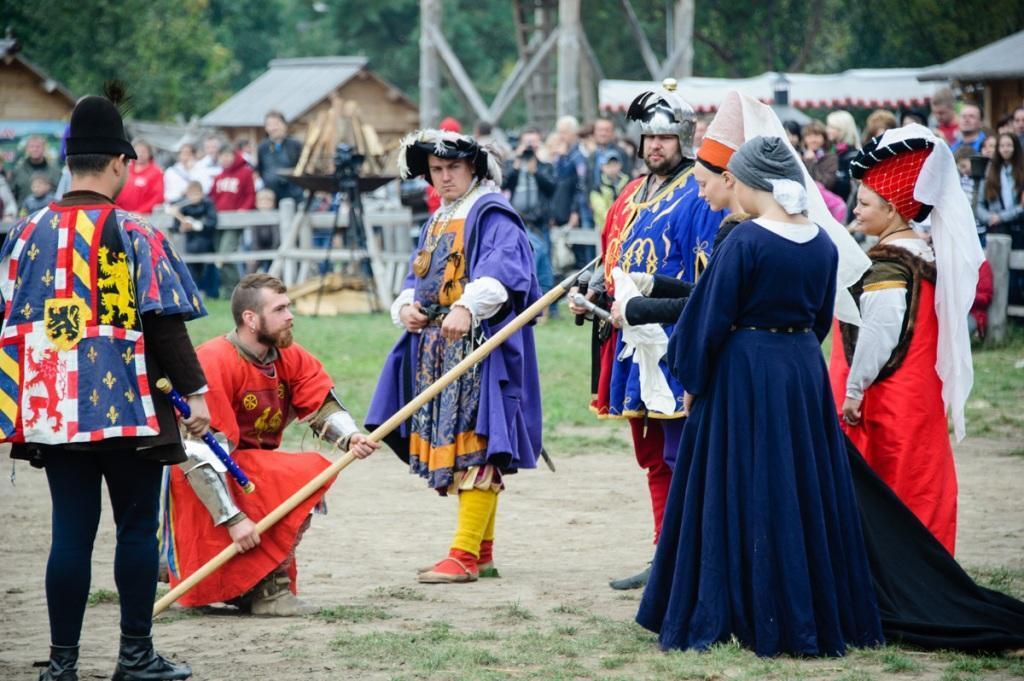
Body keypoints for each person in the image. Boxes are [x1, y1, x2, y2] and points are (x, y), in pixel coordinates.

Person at [637, 135, 884, 657]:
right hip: (800, 375)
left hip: (745, 375)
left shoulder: (746, 242)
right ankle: (800, 605)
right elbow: (821, 318)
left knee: (741, 484)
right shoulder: (820, 240)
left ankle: (737, 605)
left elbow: (709, 319)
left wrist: (693, 380)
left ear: (748, 183)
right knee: (796, 486)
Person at [0, 87, 206, 681]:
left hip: (52, 409)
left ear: (67, 163)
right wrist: (194, 396)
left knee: (70, 532)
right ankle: (135, 658)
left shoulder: (23, 235)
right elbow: (164, 324)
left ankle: (61, 667)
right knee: (136, 529)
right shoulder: (136, 233)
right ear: (119, 163)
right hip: (131, 411)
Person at [366, 128, 542, 584]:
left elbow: (504, 274)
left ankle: (463, 555)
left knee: (476, 444)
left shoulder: (492, 213)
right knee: (467, 444)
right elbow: (416, 274)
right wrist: (405, 307)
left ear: (473, 169)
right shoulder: (440, 217)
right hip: (437, 347)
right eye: (436, 170)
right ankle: (480, 551)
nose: (443, 178)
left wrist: (466, 306)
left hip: (479, 349)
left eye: (453, 169)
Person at [569, 79, 725, 591]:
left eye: (665, 137)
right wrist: (591, 291)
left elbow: (707, 278)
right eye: (648, 137)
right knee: (653, 455)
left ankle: (693, 559)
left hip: (673, 340)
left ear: (684, 138)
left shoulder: (699, 192)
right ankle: (665, 555)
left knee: (683, 454)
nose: (654, 146)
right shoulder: (631, 193)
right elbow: (610, 260)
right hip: (629, 344)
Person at [162, 273, 378, 616]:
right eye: (279, 309)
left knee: (291, 474)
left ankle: (256, 586)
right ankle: (267, 591)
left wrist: (350, 436)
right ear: (250, 319)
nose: (290, 315)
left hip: (251, 471)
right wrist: (232, 519)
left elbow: (320, 401)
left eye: (288, 307)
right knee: (304, 472)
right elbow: (200, 452)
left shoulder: (286, 355)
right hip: (206, 474)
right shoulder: (214, 361)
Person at [830, 124, 986, 555]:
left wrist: (854, 391)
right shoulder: (925, 254)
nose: (855, 211)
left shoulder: (888, 266)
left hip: (890, 404)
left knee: (894, 492)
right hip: (921, 397)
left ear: (894, 208)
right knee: (922, 485)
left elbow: (877, 339)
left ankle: (903, 594)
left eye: (863, 203)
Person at [503, 126, 557, 303]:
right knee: (518, 261)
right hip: (517, 222)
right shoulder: (513, 165)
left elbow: (551, 189)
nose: (529, 147)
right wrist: (517, 165)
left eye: (533, 143)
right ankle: (522, 301)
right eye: (526, 143)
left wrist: (536, 172)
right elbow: (503, 184)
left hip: (539, 222)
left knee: (545, 262)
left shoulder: (545, 166)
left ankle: (549, 306)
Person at [976, 132, 1024, 314]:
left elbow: (1022, 206)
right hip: (995, 228)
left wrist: (1002, 216)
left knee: (1018, 272)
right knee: (996, 271)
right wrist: (988, 217)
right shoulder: (990, 172)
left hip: (1018, 226)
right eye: (1002, 146)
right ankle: (998, 313)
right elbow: (979, 204)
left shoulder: (1021, 171)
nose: (1005, 149)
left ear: (1015, 148)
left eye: (1009, 145)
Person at [210, 143, 256, 295]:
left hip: (234, 221)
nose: (225, 159)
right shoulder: (219, 176)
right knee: (219, 256)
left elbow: (250, 194)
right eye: (222, 156)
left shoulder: (245, 172)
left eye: (228, 156)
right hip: (219, 221)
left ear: (234, 156)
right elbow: (213, 197)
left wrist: (244, 209)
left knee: (225, 253)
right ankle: (231, 289)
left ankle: (236, 288)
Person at [168, 180, 220, 299]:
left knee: (209, 269)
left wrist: (195, 225)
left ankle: (212, 294)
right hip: (189, 244)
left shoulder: (208, 204)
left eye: (196, 194)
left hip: (207, 242)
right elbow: (176, 226)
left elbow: (211, 222)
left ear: (202, 193)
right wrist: (181, 227)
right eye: (191, 194)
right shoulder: (182, 207)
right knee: (190, 270)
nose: (194, 197)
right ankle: (193, 294)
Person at [256, 111, 304, 205]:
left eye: (276, 124)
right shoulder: (263, 146)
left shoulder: (295, 144)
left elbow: (302, 167)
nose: (273, 128)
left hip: (292, 193)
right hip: (271, 196)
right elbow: (260, 169)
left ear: (284, 125)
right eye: (269, 125)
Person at [116, 138, 165, 215]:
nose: (140, 154)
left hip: (142, 216)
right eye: (137, 151)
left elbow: (157, 198)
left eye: (143, 151)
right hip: (120, 213)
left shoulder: (156, 172)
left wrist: (140, 212)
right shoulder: (125, 167)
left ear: (150, 153)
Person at [588, 148, 629, 236]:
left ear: (620, 165)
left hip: (626, 227)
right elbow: (601, 209)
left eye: (614, 164)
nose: (612, 168)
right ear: (602, 167)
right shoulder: (598, 187)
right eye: (608, 165)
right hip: (605, 229)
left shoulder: (628, 183)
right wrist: (615, 221)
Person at [11, 135, 62, 205]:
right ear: (27, 149)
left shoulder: (55, 172)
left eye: (38, 146)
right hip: (24, 214)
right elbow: (12, 197)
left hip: (49, 213)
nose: (35, 149)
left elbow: (60, 195)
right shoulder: (17, 171)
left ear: (44, 148)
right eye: (31, 147)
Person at [826, 110, 861, 202]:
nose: (827, 130)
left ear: (842, 129)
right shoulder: (833, 151)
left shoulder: (853, 156)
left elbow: (846, 188)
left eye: (831, 127)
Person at [801, 120, 839, 192]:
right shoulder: (798, 155)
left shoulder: (831, 158)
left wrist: (810, 162)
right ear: (804, 139)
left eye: (817, 136)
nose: (813, 140)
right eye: (809, 136)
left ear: (824, 138)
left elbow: (827, 184)